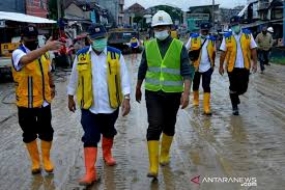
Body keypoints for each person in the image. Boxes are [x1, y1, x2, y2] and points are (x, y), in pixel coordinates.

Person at [67, 24, 131, 186]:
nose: (99, 41)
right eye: (96, 39)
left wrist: (127, 98)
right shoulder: (81, 56)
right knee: (90, 136)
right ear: (89, 39)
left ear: (107, 37)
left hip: (111, 104)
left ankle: (107, 153)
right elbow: (74, 78)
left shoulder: (116, 55)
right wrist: (70, 97)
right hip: (89, 106)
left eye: (102, 38)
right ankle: (90, 172)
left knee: (109, 131)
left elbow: (124, 76)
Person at [135, 10, 194, 179]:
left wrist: (186, 93)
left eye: (163, 27)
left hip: (173, 93)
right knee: (154, 125)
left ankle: (164, 154)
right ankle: (153, 166)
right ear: (153, 29)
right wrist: (138, 86)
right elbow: (142, 68)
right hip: (153, 92)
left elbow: (187, 71)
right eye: (157, 27)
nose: (160, 29)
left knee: (169, 125)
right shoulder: (149, 46)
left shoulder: (179, 46)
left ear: (169, 28)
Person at [11, 25, 61, 174]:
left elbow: (48, 71)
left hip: (44, 101)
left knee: (47, 131)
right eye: (29, 38)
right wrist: (46, 48)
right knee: (28, 133)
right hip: (26, 102)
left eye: (34, 37)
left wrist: (52, 86)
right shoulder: (17, 53)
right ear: (22, 38)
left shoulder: (44, 54)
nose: (32, 40)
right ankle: (35, 162)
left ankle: (46, 159)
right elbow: (27, 58)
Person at [219, 16, 257, 115]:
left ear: (240, 24)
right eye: (233, 25)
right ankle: (234, 107)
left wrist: (255, 63)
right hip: (231, 67)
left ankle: (235, 97)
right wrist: (220, 66)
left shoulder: (248, 34)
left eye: (236, 25)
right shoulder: (227, 36)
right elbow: (223, 52)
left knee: (243, 88)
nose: (235, 27)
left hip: (245, 66)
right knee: (233, 86)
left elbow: (253, 49)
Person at [185, 22, 216, 115]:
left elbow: (214, 53)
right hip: (195, 66)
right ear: (200, 30)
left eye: (207, 31)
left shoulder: (212, 40)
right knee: (196, 84)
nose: (205, 32)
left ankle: (206, 107)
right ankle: (196, 101)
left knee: (206, 86)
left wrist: (213, 65)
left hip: (207, 67)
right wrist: (188, 60)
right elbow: (185, 49)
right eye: (203, 30)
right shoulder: (193, 38)